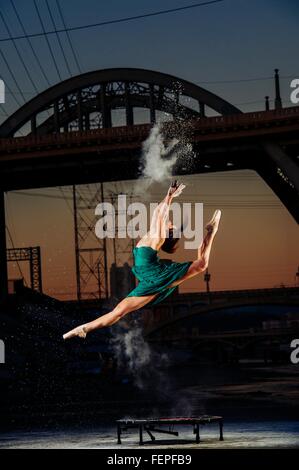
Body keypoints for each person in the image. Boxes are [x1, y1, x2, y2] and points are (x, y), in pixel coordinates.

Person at [63, 181, 221, 340]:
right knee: (201, 265)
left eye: (171, 225)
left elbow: (161, 214)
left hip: (154, 276)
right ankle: (83, 328)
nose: (170, 222)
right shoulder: (154, 232)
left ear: (168, 232)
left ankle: (84, 328)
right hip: (149, 275)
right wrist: (168, 195)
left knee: (119, 311)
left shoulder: (158, 237)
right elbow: (158, 212)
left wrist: (170, 196)